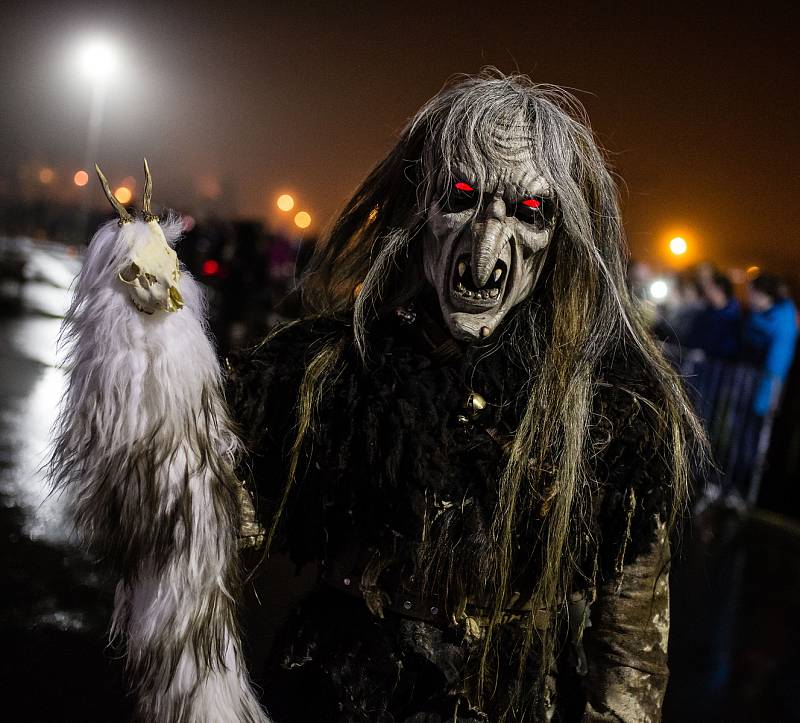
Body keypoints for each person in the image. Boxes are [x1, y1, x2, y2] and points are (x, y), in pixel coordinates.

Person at [50, 73, 703, 722]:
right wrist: (149, 359)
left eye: (527, 212)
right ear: (421, 208)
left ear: (559, 231)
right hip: (338, 693)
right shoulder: (330, 373)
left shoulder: (617, 416)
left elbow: (630, 650)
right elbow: (190, 525)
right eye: (462, 199)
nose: (485, 248)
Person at [742, 273, 798, 416]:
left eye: (751, 293)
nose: (748, 297)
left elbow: (777, 364)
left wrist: (764, 403)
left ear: (761, 293)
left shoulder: (783, 322)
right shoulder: (757, 318)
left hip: (773, 396)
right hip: (752, 387)